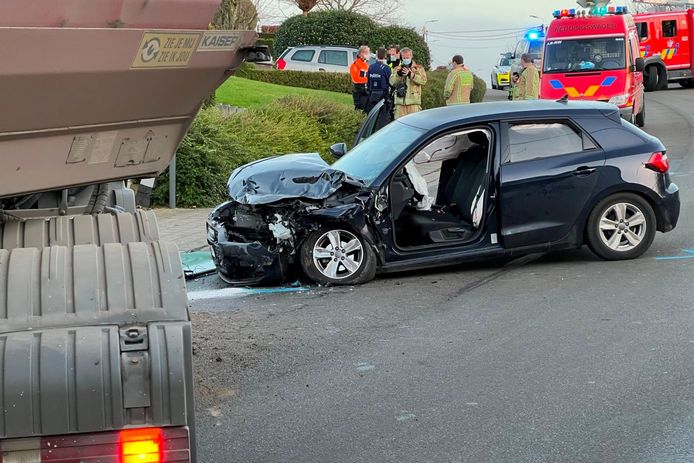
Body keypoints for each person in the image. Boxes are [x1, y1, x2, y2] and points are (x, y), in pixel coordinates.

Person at [389, 47, 427, 119]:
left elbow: (423, 80)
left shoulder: (418, 68)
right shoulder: (397, 68)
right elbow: (392, 82)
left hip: (413, 104)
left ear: (411, 56)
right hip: (400, 104)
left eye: (407, 57)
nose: (406, 59)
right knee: (399, 127)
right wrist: (398, 75)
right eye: (404, 57)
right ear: (401, 57)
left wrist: (410, 74)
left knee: (414, 125)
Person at [366, 47, 393, 128]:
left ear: (377, 55)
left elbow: (368, 81)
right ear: (385, 56)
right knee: (383, 118)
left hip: (371, 95)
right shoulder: (386, 68)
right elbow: (391, 82)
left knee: (373, 117)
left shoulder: (371, 67)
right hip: (383, 96)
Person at [350, 45, 370, 111]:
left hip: (365, 90)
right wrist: (367, 80)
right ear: (362, 54)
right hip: (359, 90)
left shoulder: (366, 64)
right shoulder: (355, 65)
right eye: (367, 53)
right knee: (359, 109)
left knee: (366, 109)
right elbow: (356, 79)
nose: (368, 54)